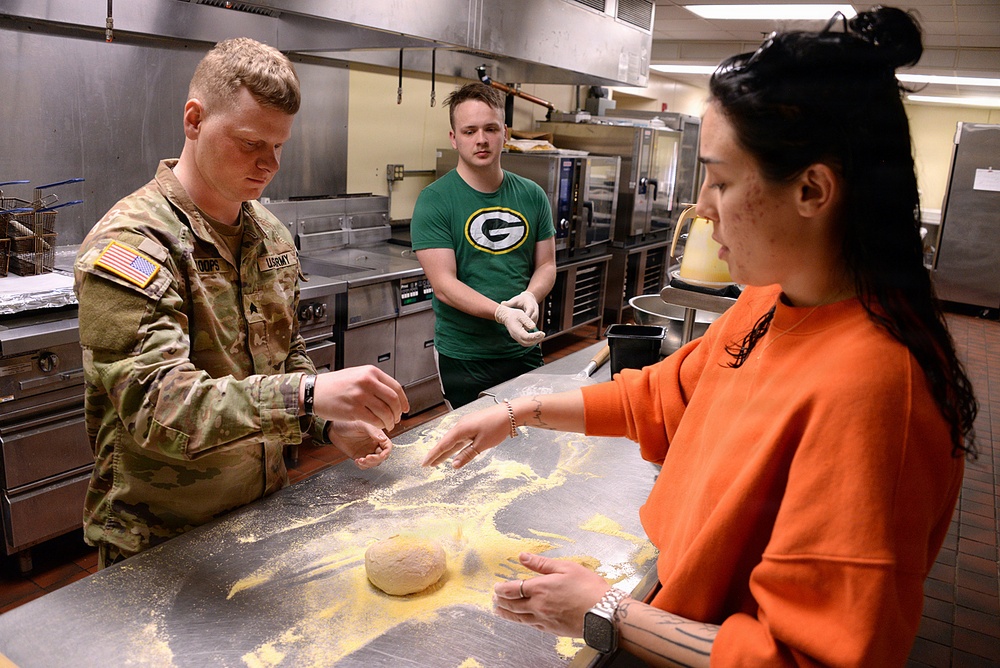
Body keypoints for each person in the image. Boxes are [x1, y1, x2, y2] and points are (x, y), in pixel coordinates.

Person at [421, 7, 979, 666]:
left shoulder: (875, 391)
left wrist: (605, 612)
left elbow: (810, 659)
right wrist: (517, 411)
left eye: (720, 178)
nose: (701, 205)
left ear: (812, 189)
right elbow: (660, 396)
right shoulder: (770, 304)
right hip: (674, 604)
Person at [74, 37, 408, 569]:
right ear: (194, 120)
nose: (268, 163)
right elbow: (160, 410)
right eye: (250, 141)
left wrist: (325, 422)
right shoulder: (133, 245)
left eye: (279, 146)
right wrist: (307, 395)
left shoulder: (269, 235)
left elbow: (284, 350)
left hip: (261, 511)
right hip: (160, 540)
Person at [411, 82, 557, 409]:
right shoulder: (434, 201)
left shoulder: (532, 195)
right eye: (469, 130)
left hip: (523, 348)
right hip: (464, 357)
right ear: (454, 137)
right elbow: (445, 285)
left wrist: (532, 294)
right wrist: (501, 313)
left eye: (491, 129)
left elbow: (546, 265)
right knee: (473, 450)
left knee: (530, 443)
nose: (481, 139)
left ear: (505, 133)